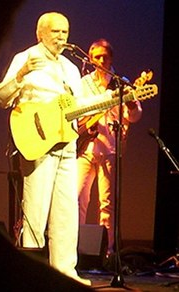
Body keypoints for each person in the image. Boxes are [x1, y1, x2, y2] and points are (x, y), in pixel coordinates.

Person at [0, 12, 115, 286]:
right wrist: (22, 74)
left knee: (66, 211)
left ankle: (65, 274)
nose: (62, 37)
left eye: (65, 32)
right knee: (35, 210)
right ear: (41, 33)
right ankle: (31, 273)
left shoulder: (71, 68)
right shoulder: (25, 58)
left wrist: (109, 99)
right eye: (56, 32)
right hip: (37, 142)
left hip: (67, 144)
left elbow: (80, 106)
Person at [77, 38, 143, 257]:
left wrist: (132, 105)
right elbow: (76, 111)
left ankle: (107, 251)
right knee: (77, 198)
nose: (101, 60)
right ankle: (77, 250)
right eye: (97, 57)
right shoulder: (83, 83)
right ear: (90, 58)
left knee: (107, 203)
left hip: (109, 149)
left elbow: (134, 116)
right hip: (85, 148)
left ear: (111, 58)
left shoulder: (121, 83)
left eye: (105, 56)